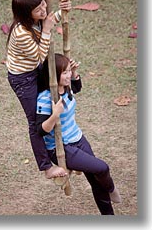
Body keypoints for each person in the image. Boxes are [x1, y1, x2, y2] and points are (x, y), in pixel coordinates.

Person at [36, 53, 122, 215]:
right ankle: (111, 189)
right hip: (61, 147)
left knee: (96, 181)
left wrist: (74, 73)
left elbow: (77, 87)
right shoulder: (45, 98)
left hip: (78, 138)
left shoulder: (66, 87)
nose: (69, 75)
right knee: (102, 168)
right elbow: (40, 131)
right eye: (65, 72)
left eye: (69, 71)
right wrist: (55, 115)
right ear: (53, 75)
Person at [6, 0, 71, 179]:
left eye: (43, 4)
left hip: (34, 70)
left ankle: (67, 149)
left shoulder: (35, 18)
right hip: (23, 78)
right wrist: (49, 29)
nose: (43, 11)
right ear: (27, 14)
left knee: (55, 103)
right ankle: (46, 168)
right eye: (38, 9)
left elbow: (49, 19)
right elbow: (39, 57)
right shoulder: (20, 33)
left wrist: (63, 10)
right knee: (35, 121)